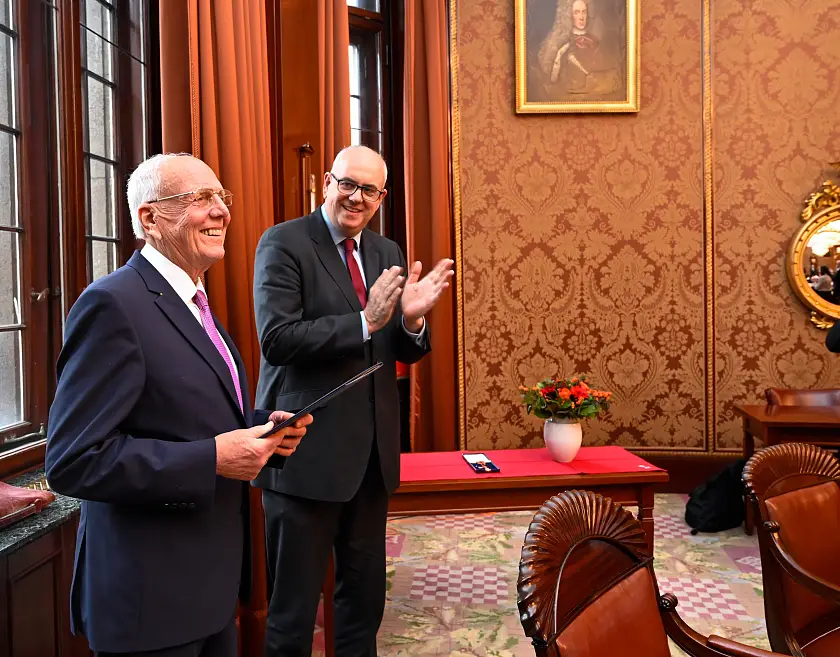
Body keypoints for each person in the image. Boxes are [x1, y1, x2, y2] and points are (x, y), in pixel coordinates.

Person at [45, 153, 313, 657]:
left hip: (207, 593)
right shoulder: (113, 305)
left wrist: (260, 431)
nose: (221, 212)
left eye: (222, 198)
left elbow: (184, 416)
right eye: (200, 199)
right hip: (149, 603)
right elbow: (73, 461)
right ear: (149, 219)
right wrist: (212, 458)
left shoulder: (195, 304)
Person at [252, 145, 454, 656]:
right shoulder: (284, 242)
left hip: (371, 462)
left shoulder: (386, 252)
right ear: (326, 181)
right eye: (348, 184)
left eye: (369, 190)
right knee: (293, 612)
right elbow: (277, 338)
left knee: (364, 604)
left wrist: (411, 321)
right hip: (304, 456)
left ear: (382, 197)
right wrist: (366, 321)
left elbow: (394, 346)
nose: (356, 198)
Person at [535, 0, 621, 98]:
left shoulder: (594, 41)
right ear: (568, 15)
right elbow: (554, 81)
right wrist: (558, 57)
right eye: (576, 12)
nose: (581, 17)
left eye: (583, 12)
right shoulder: (562, 46)